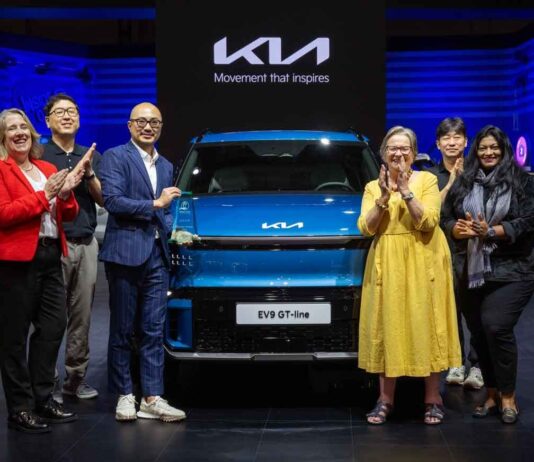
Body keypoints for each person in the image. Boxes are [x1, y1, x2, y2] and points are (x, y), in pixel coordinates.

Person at [357, 125, 461, 425]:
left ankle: (433, 398)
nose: (398, 153)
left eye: (405, 148)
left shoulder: (427, 180)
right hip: (387, 260)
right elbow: (366, 227)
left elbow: (428, 222)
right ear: (383, 153)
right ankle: (385, 399)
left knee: (427, 323)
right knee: (386, 324)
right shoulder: (372, 186)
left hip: (423, 257)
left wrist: (405, 191)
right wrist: (383, 197)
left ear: (414, 153)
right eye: (393, 148)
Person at [99, 102, 185, 423]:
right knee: (122, 329)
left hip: (157, 256)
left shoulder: (166, 165)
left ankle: (152, 397)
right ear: (130, 125)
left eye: (155, 122)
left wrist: (172, 226)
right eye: (142, 121)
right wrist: (155, 204)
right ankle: (124, 395)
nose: (148, 127)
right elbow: (113, 201)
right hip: (125, 254)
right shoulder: (115, 157)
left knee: (153, 330)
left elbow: (167, 211)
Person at [442, 125, 534, 424]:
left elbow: (528, 220)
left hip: (513, 269)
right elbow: (446, 216)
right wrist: (456, 230)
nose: (488, 152)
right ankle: (492, 395)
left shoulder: (523, 181)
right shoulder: (465, 181)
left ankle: (508, 397)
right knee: (480, 334)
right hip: (472, 269)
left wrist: (493, 231)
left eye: (494, 147)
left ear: (504, 149)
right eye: (483, 148)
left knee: (496, 326)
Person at [0, 108, 83, 433]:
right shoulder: (2, 169)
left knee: (53, 328)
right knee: (14, 338)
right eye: (11, 128)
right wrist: (44, 194)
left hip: (50, 256)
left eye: (23, 126)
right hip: (15, 262)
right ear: (3, 137)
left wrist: (65, 194)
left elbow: (68, 213)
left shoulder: (46, 168)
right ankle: (19, 408)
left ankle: (43, 399)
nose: (19, 132)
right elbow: (4, 214)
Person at [42, 93, 103, 401]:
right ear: (47, 120)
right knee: (51, 317)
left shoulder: (90, 154)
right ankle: (47, 380)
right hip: (54, 244)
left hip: (86, 242)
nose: (67, 116)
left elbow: (104, 199)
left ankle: (75, 379)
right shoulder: (39, 154)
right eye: (60, 112)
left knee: (82, 316)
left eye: (72, 111)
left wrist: (88, 172)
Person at [424, 117, 484, 390]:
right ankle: (456, 362)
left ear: (466, 141)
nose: (451, 142)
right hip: (441, 252)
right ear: (438, 144)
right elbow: (432, 214)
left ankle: (479, 365)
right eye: (446, 138)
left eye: (457, 137)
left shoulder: (479, 172)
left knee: (476, 312)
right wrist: (451, 183)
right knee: (450, 312)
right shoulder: (429, 177)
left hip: (475, 252)